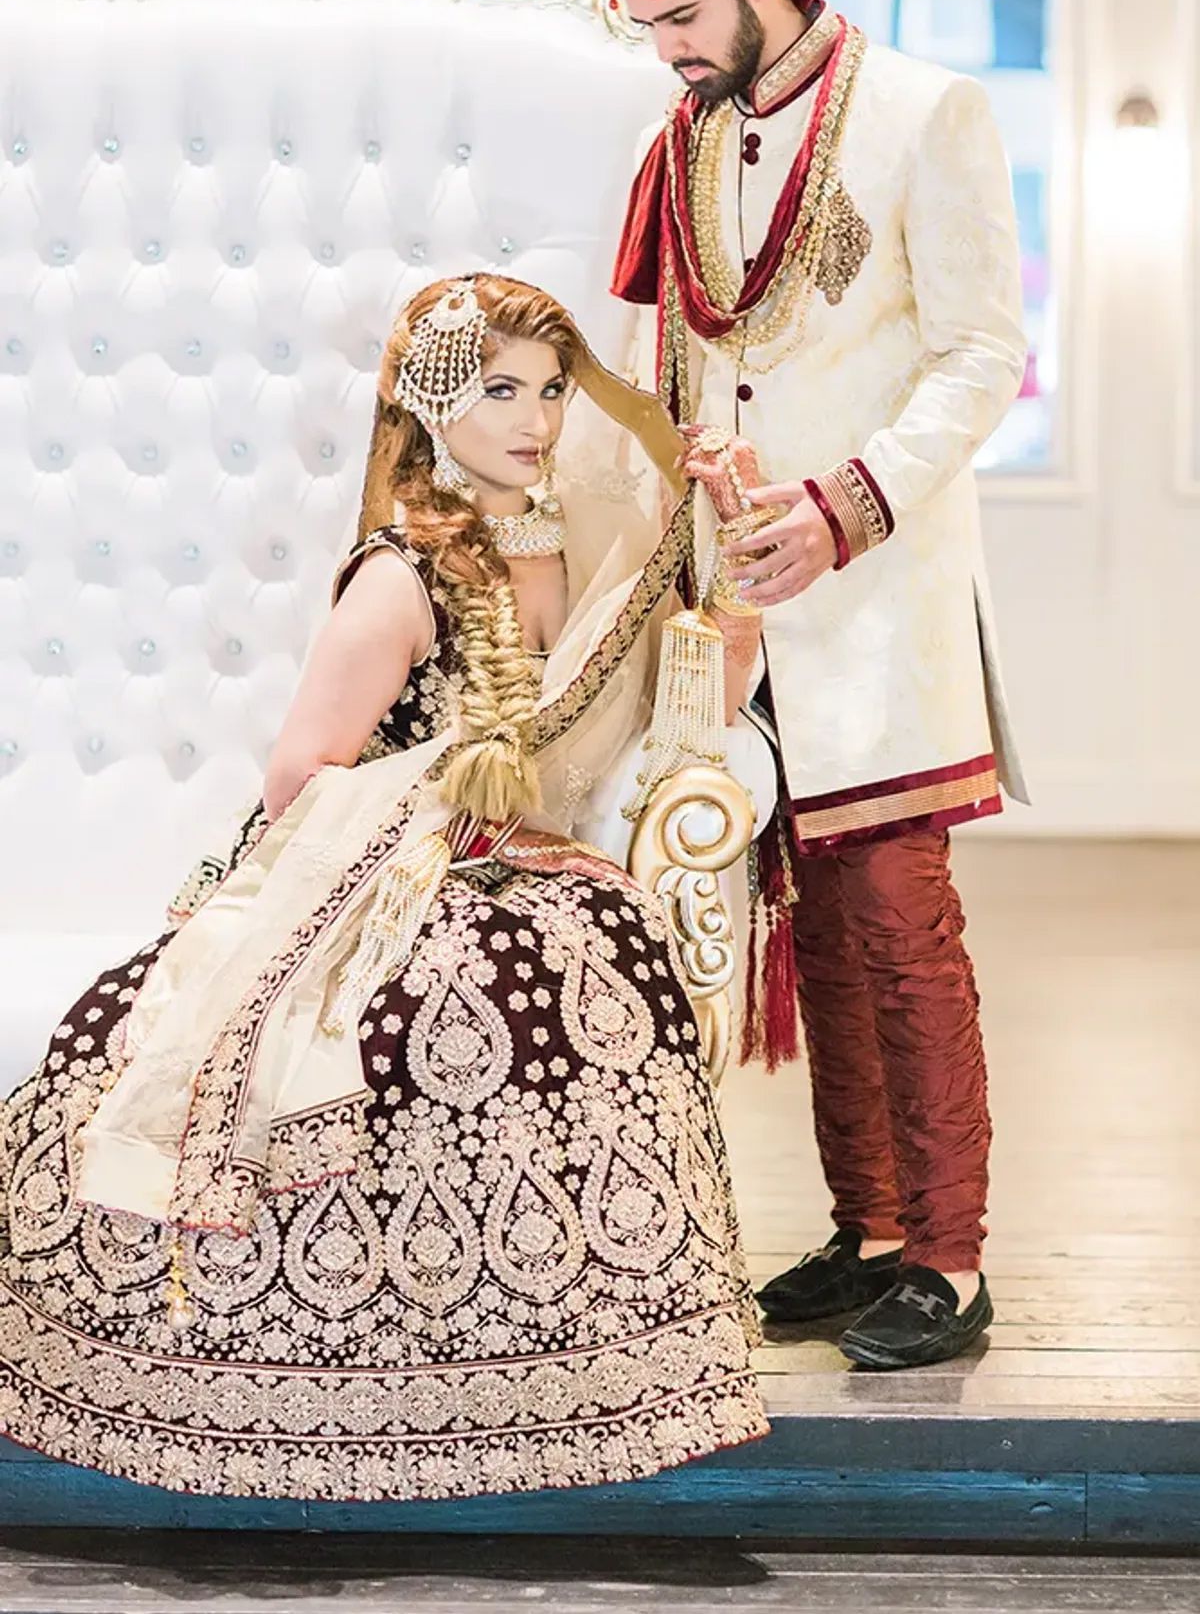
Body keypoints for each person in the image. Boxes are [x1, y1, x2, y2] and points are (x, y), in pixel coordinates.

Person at [0, 273, 768, 1500]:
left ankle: (548, 1357)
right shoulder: (403, 574)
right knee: (411, 1014)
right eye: (500, 389)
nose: (535, 419)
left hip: (522, 864)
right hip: (385, 875)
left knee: (599, 952)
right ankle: (340, 1369)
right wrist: (443, 803)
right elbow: (300, 773)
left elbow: (660, 723)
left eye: (552, 391)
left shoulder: (580, 549)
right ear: (432, 397)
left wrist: (732, 610)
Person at [516, 0, 1029, 1369]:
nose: (667, 53)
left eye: (682, 19)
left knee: (900, 926)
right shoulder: (688, 137)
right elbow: (689, 352)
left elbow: (983, 355)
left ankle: (950, 1259)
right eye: (648, 27)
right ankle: (867, 1232)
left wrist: (840, 506)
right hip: (735, 605)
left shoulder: (929, 111)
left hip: (872, 593)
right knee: (807, 929)